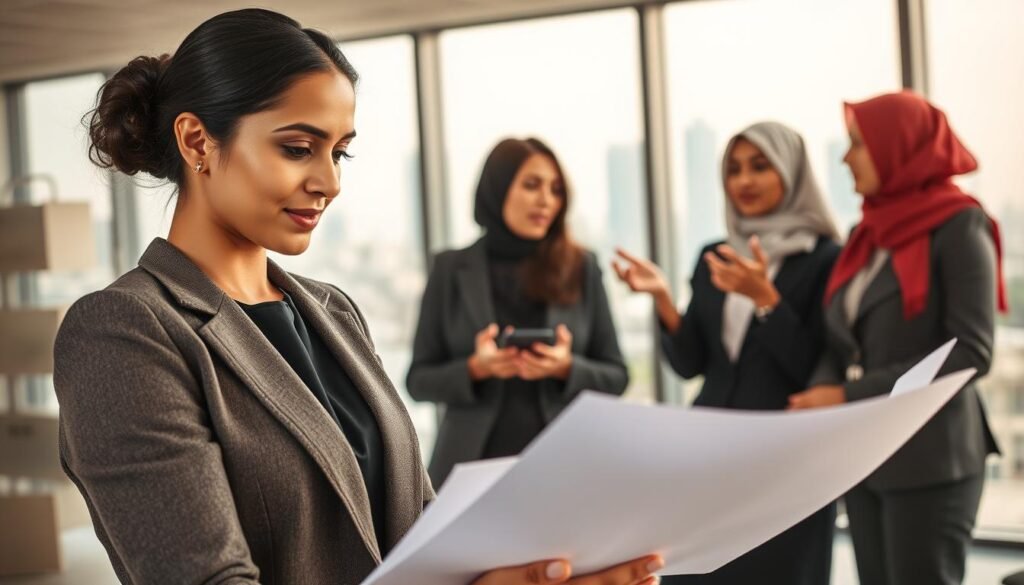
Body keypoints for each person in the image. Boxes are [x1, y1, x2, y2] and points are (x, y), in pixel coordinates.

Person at [54, 9, 661, 585]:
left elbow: (417, 542)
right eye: (297, 148)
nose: (330, 182)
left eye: (339, 151)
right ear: (196, 142)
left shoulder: (333, 311)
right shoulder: (124, 330)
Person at [790, 91, 1005, 585]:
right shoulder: (866, 234)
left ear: (898, 145)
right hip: (867, 454)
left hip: (932, 459)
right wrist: (815, 397)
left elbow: (971, 353)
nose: (845, 158)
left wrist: (843, 395)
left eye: (857, 144)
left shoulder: (960, 224)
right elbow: (841, 339)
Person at [614, 122, 840, 584]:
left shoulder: (826, 259)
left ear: (791, 172)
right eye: (733, 170)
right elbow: (691, 362)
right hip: (711, 449)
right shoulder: (714, 256)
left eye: (760, 166)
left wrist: (767, 302)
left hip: (786, 457)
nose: (744, 181)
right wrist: (662, 299)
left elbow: (813, 368)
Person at [407, 137, 629, 486]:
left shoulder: (581, 267)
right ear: (497, 188)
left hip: (564, 466)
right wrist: (476, 368)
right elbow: (417, 381)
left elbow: (617, 375)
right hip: (470, 469)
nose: (546, 200)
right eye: (531, 185)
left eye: (555, 189)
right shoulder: (450, 269)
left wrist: (566, 367)